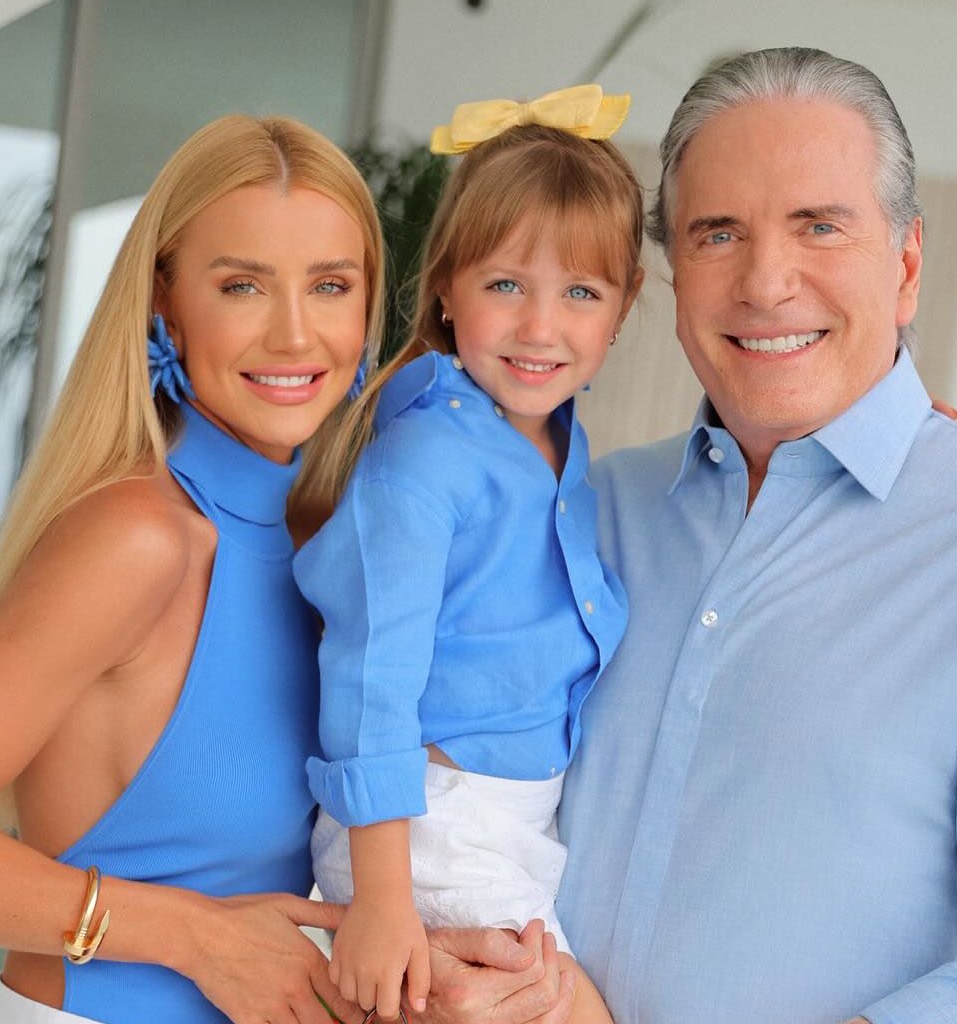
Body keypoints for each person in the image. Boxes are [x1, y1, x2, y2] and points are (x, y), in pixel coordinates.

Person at [423, 48, 957, 1024]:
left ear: (907, 266)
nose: (765, 282)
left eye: (820, 227)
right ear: (670, 278)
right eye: (718, 233)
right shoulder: (583, 508)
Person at [0, 113, 383, 1024]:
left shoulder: (324, 546)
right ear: (165, 302)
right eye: (242, 285)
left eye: (329, 286)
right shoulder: (139, 537)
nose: (294, 334)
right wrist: (195, 938)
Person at [291, 86, 644, 1023]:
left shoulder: (556, 446)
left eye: (581, 292)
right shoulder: (426, 459)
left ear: (623, 308)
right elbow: (373, 683)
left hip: (510, 830)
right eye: (505, 285)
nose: (541, 327)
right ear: (447, 287)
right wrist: (382, 901)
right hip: (426, 834)